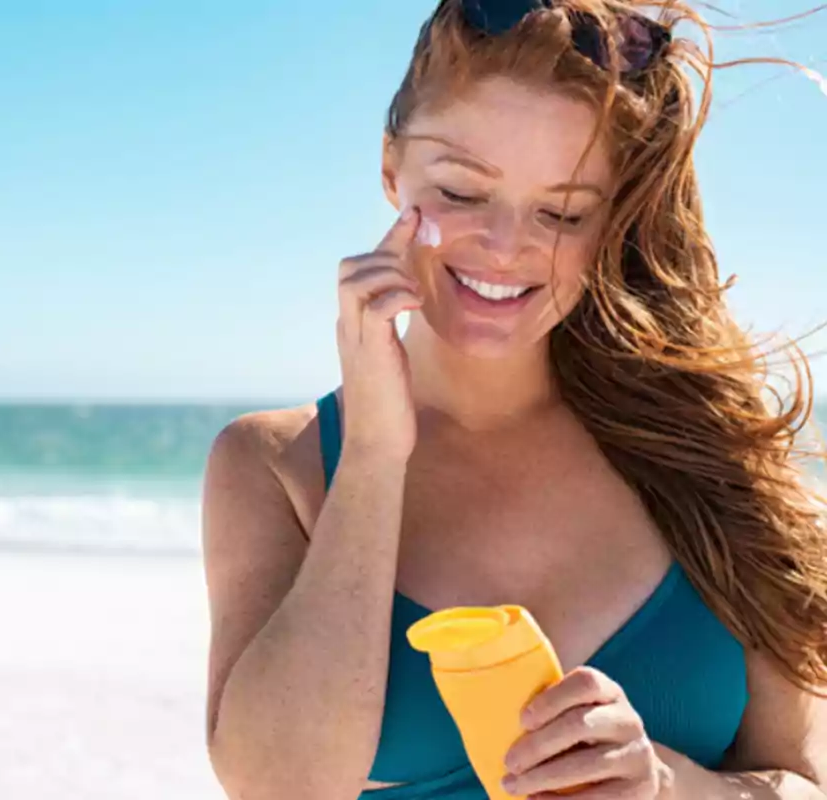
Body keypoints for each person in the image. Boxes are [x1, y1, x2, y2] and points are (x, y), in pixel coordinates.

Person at [199, 1, 827, 799]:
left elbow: (806, 782)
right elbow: (281, 787)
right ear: (392, 168)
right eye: (461, 192)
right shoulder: (275, 466)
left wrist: (668, 786)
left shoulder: (718, 458)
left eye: (561, 212)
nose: (505, 247)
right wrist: (373, 459)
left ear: (612, 221)